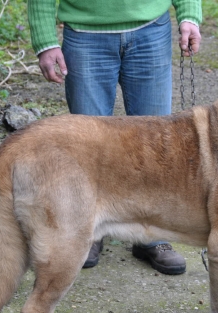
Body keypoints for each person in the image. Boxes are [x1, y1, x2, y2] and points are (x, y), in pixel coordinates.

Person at [28, 0, 202, 275]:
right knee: (88, 150)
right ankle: (91, 232)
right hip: (85, 35)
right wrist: (45, 41)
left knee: (157, 147)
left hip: (151, 30)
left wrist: (189, 15)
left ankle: (152, 237)